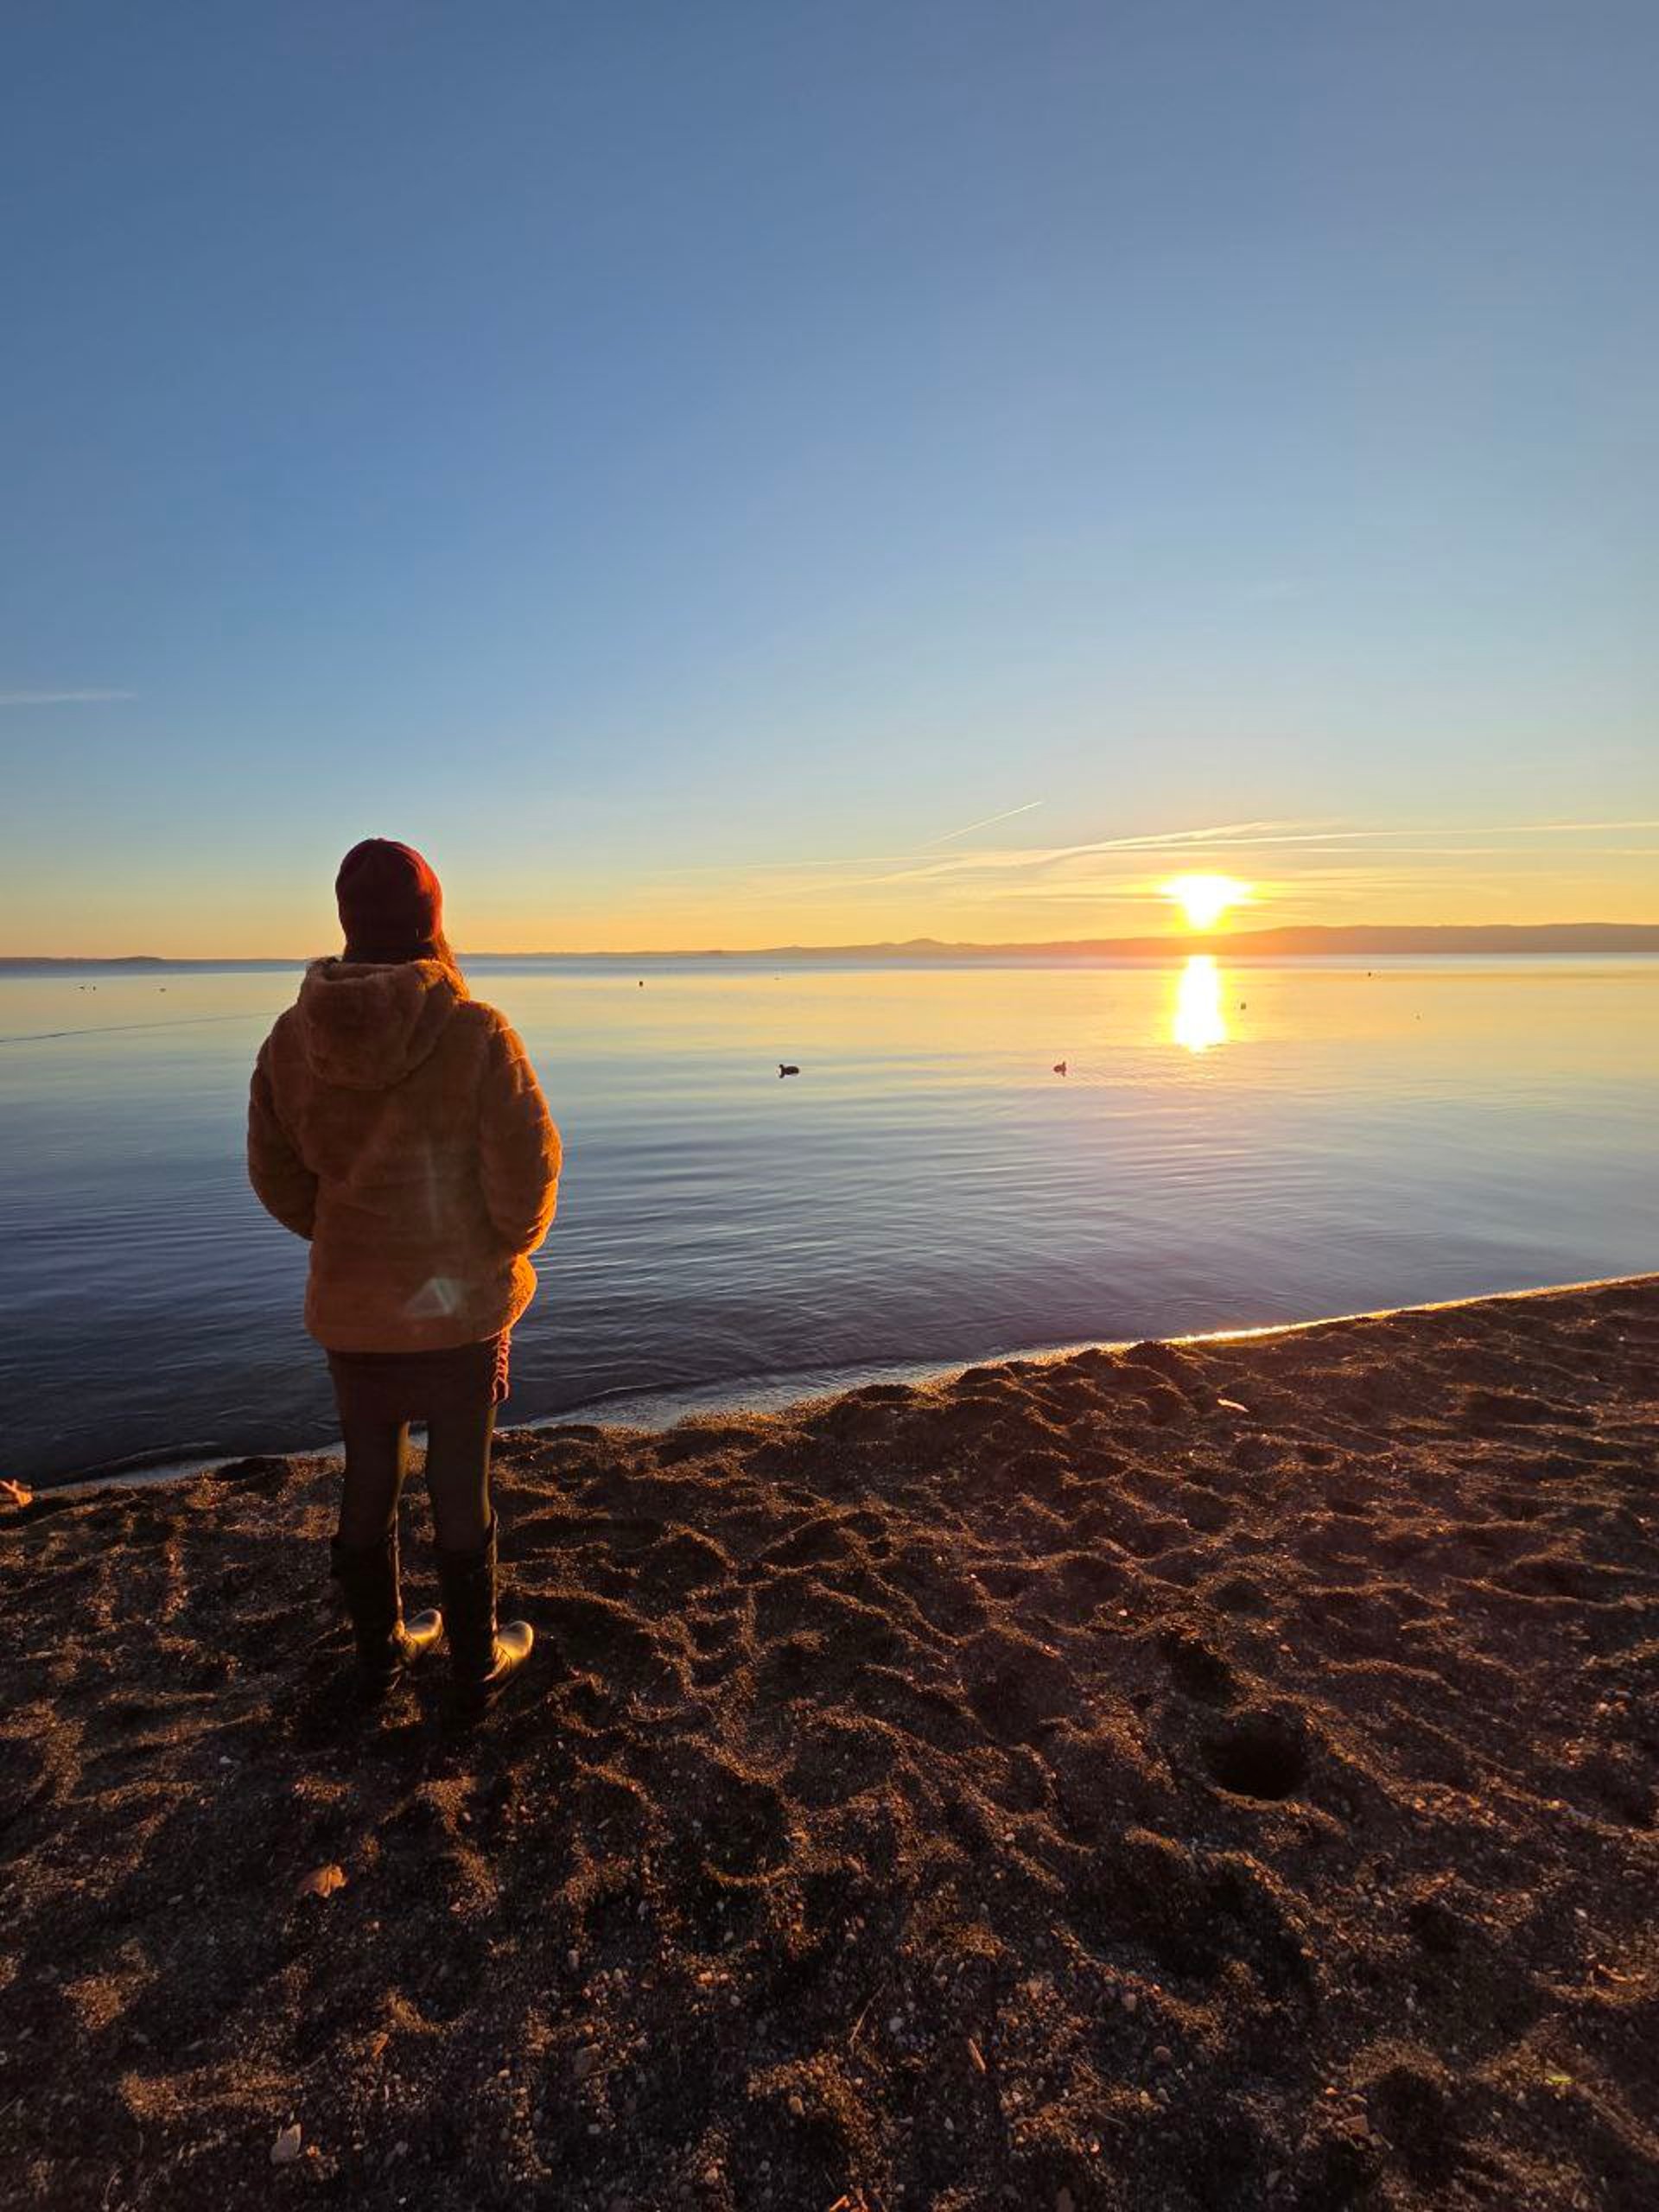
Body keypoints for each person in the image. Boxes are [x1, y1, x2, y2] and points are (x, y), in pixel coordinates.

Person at [247, 839, 561, 1706]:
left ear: (348, 922)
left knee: (369, 1472)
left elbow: (276, 1178)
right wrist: (494, 1248)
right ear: (432, 921)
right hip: (461, 1311)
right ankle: (472, 1662)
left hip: (354, 1309)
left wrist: (346, 1237)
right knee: (460, 1478)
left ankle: (382, 1654)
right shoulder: (476, 1032)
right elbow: (529, 1179)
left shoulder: (289, 1040)